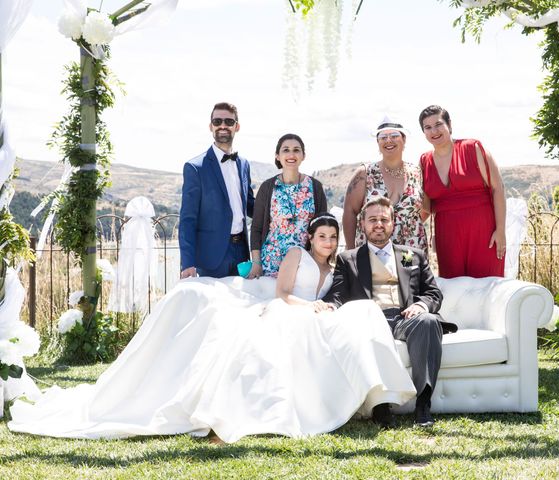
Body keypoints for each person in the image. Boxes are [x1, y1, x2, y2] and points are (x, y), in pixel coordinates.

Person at [9, 213, 415, 442]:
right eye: (321, 235)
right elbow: (283, 294)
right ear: (310, 238)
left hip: (314, 315)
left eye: (332, 236)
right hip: (289, 309)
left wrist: (326, 308)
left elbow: (338, 297)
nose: (327, 241)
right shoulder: (297, 255)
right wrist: (309, 307)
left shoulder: (337, 265)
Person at [323, 197, 457, 428]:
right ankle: (381, 408)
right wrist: (327, 306)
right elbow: (337, 295)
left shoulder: (413, 255)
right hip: (372, 320)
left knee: (427, 322)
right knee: (365, 331)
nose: (378, 224)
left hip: (407, 318)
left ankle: (423, 405)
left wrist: (421, 305)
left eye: (384, 219)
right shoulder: (348, 259)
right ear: (362, 224)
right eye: (372, 219)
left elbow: (433, 293)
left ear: (393, 224)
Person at [419, 105, 506, 278]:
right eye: (427, 128)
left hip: (484, 232)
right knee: (454, 290)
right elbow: (426, 205)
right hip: (447, 236)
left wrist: (501, 230)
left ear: (449, 125)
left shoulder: (473, 148)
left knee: (486, 286)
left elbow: (498, 188)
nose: (434, 131)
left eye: (438, 124)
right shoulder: (424, 161)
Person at [179, 102, 254, 279]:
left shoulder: (243, 164)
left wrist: (277, 209)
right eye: (217, 121)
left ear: (237, 126)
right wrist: (187, 263)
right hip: (210, 257)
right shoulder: (195, 167)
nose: (223, 126)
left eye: (228, 121)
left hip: (242, 253)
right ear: (210, 126)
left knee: (241, 304)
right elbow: (188, 219)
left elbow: (250, 204)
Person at [342, 116, 427, 253]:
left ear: (404, 139)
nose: (388, 140)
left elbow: (426, 208)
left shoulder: (417, 173)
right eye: (383, 137)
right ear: (378, 142)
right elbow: (350, 212)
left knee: (410, 274)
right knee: (374, 275)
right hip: (372, 249)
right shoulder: (365, 173)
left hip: (410, 250)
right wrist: (351, 252)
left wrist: (408, 222)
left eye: (394, 135)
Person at [248, 133, 327, 278]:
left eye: (296, 150)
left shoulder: (315, 187)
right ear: (277, 156)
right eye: (286, 150)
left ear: (303, 155)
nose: (291, 154)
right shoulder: (267, 187)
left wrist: (321, 263)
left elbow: (324, 229)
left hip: (304, 263)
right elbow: (257, 228)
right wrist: (256, 263)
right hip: (270, 263)